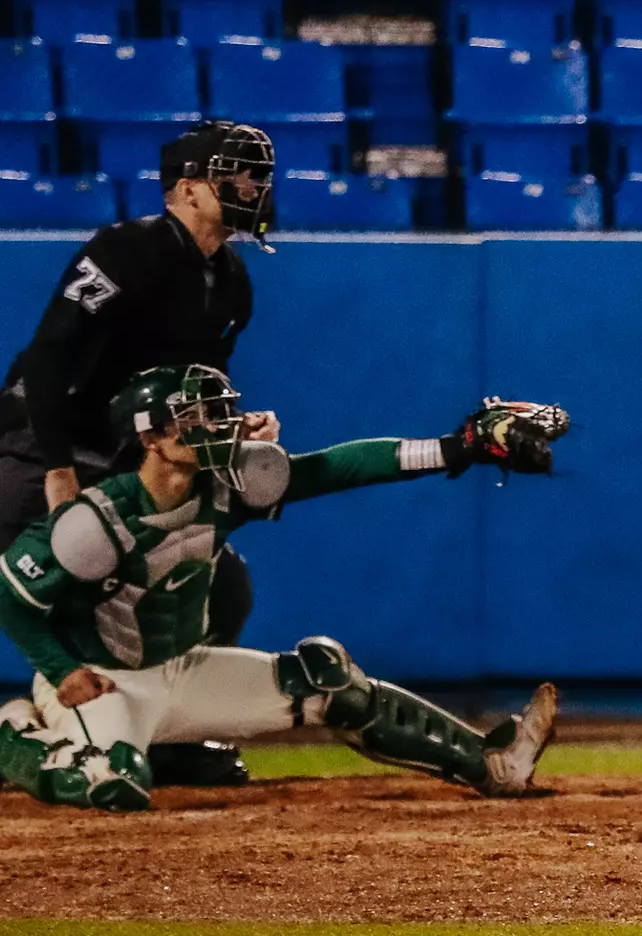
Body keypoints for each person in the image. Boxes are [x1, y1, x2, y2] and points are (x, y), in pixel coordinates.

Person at [0, 365, 568, 812]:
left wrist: (454, 447)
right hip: (105, 681)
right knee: (111, 783)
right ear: (152, 436)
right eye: (199, 416)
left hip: (180, 669)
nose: (220, 427)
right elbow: (11, 598)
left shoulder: (227, 487)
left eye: (219, 413)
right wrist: (59, 669)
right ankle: (15, 732)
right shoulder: (98, 521)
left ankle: (494, 764)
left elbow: (341, 467)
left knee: (327, 682)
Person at [0, 120, 277, 786]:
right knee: (26, 560)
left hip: (131, 453)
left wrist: (238, 428)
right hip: (43, 439)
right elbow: (47, 359)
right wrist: (58, 472)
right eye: (236, 175)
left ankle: (175, 736)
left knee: (224, 585)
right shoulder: (125, 251)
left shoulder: (233, 280)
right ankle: (34, 728)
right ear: (186, 189)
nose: (253, 188)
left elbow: (202, 393)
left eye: (258, 176)